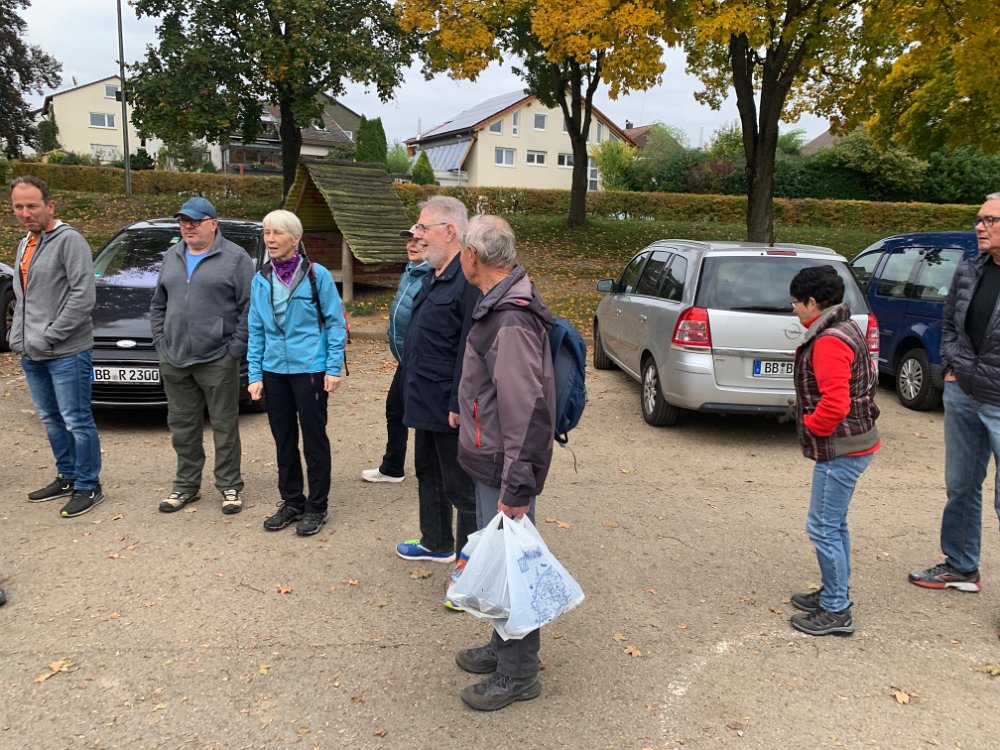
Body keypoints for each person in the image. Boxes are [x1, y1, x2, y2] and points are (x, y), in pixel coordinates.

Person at [453, 214, 556, 710]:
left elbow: (526, 410)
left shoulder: (510, 319)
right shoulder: (497, 305)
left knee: (514, 569)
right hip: (491, 458)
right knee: (498, 566)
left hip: (503, 467)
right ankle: (502, 648)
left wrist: (517, 486)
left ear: (472, 255)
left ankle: (518, 673)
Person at [909, 193, 1000, 593]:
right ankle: (961, 566)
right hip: (963, 391)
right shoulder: (970, 268)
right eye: (979, 219)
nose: (980, 227)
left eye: (990, 220)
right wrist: (951, 366)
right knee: (961, 485)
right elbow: (948, 322)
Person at [788, 265, 880, 637]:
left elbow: (835, 403)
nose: (793, 309)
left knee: (822, 527)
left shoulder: (829, 340)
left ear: (813, 302)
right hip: (852, 443)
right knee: (834, 523)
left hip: (841, 447)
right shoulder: (846, 325)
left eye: (796, 302)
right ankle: (833, 592)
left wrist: (812, 426)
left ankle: (836, 609)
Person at [150, 197, 254, 515]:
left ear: (213, 223)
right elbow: (158, 304)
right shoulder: (172, 255)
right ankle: (186, 486)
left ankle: (229, 486)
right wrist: (161, 342)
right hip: (175, 358)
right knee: (183, 426)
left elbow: (249, 308)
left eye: (195, 221)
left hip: (218, 358)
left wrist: (234, 349)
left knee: (224, 426)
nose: (188, 226)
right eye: (184, 221)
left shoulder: (235, 258)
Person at [9, 175, 104, 518]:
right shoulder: (26, 243)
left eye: (32, 206)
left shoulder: (70, 241)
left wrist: (49, 335)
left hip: (66, 352)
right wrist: (19, 339)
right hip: (32, 352)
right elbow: (24, 298)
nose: (25, 213)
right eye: (18, 207)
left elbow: (83, 297)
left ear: (50, 206)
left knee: (76, 420)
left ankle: (88, 484)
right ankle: (67, 476)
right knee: (50, 419)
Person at [248, 210, 346, 536]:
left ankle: (317, 506)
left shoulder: (318, 276)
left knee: (314, 440)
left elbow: (335, 323)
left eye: (277, 233)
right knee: (284, 439)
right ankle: (292, 501)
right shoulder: (260, 279)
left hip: (310, 370)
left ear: (295, 238)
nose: (270, 239)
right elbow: (256, 329)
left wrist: (332, 367)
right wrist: (254, 374)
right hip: (274, 371)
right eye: (267, 233)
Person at [395, 196, 479, 568]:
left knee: (462, 488)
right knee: (428, 472)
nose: (417, 234)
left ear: (449, 231)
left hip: (449, 405)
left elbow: (469, 348)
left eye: (423, 227)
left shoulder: (467, 279)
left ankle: (470, 566)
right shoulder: (433, 273)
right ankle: (436, 542)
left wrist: (459, 401)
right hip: (424, 397)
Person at [360, 226, 430, 483]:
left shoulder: (432, 276)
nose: (412, 244)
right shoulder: (410, 271)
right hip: (406, 359)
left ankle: (436, 477)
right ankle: (392, 468)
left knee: (425, 419)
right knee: (395, 409)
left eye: (419, 240)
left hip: (423, 361)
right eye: (409, 240)